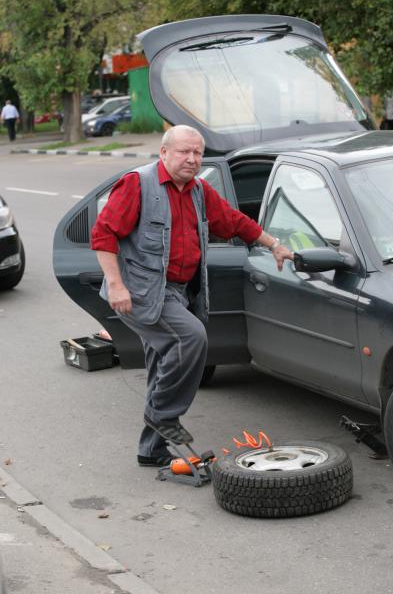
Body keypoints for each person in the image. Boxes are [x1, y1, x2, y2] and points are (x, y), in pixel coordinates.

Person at [91, 125, 293, 467]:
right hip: (141, 292)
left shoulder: (199, 190)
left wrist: (273, 244)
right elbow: (104, 233)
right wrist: (115, 284)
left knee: (164, 361)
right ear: (164, 152)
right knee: (190, 338)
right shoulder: (138, 184)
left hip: (179, 291)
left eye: (197, 153)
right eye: (184, 151)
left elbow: (232, 221)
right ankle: (164, 415)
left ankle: (151, 449)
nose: (192, 159)